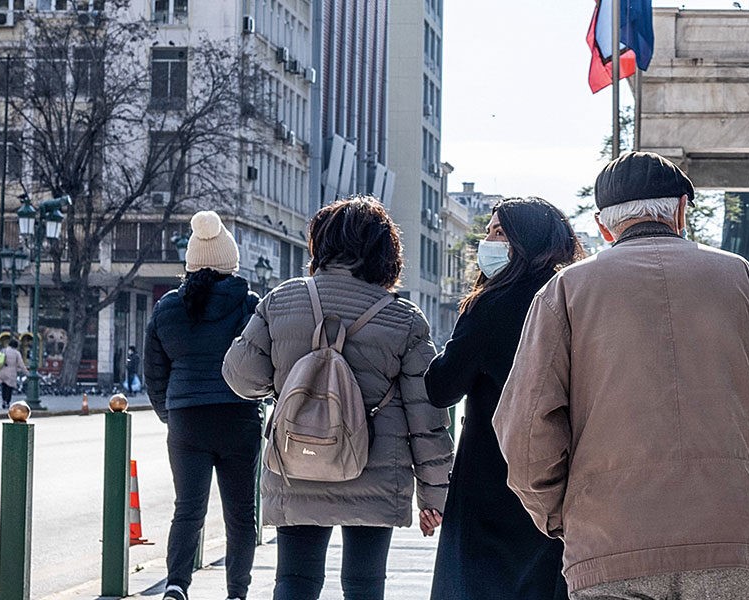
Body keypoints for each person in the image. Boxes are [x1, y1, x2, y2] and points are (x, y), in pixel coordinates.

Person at [493, 151, 749, 599]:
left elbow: (525, 434)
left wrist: (561, 516)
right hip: (729, 538)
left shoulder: (565, 292)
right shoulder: (743, 280)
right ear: (680, 210)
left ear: (603, 225)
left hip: (608, 541)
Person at [222, 196, 454, 600]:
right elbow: (426, 416)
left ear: (320, 245)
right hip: (376, 472)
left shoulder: (281, 301)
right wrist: (434, 494)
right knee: (365, 585)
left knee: (295, 580)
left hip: (298, 463)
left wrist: (287, 385)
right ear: (385, 252)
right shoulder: (404, 319)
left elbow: (240, 376)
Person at [425, 198, 582, 600]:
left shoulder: (493, 304)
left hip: (490, 473)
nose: (488, 240)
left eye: (499, 232)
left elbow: (442, 387)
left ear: (524, 241)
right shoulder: (575, 297)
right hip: (560, 474)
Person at [143, 210, 260, 600]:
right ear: (230, 262)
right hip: (238, 416)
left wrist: (170, 413)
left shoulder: (167, 309)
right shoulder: (248, 305)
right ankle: (236, 593)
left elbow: (154, 373)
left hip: (187, 420)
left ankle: (177, 584)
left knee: (188, 509)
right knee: (241, 514)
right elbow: (264, 360)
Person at [0, 337, 27, 409]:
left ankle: (3, 401)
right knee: (9, 388)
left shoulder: (3, 350)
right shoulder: (16, 353)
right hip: (11, 372)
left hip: (2, 371)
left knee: (4, 387)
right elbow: (21, 364)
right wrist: (26, 372)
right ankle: (7, 402)